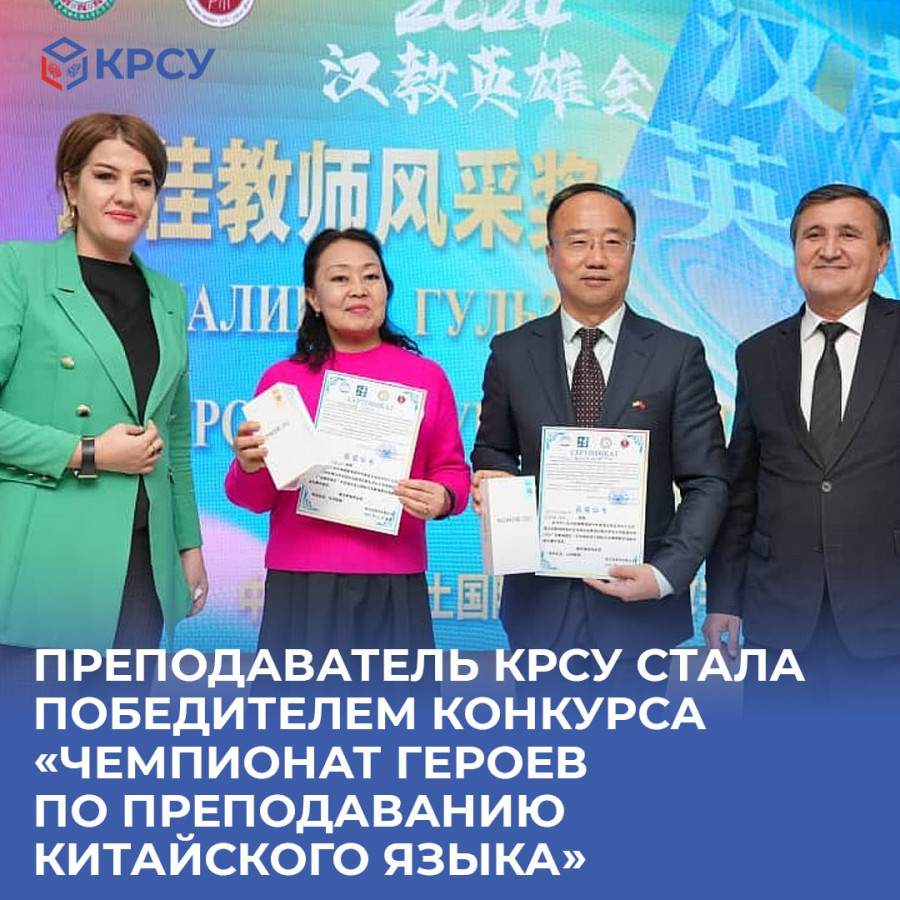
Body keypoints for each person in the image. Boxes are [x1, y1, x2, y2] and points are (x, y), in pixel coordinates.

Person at [471, 183, 728, 688]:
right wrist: (495, 481)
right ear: (551, 255)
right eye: (578, 241)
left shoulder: (677, 355)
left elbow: (708, 481)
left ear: (632, 253)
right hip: (538, 607)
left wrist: (665, 573)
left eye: (613, 242)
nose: (596, 258)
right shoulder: (512, 352)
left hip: (641, 610)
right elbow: (494, 448)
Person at [0, 113, 207, 666]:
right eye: (105, 176)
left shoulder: (167, 295)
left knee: (118, 721)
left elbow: (174, 439)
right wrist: (87, 451)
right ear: (71, 185)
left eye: (143, 181)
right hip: (44, 553)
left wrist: (187, 545)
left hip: (142, 559)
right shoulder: (19, 269)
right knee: (30, 718)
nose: (126, 196)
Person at [225, 228, 470, 666]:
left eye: (370, 276)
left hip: (395, 581)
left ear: (386, 289)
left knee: (397, 710)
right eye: (339, 278)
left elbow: (452, 471)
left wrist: (444, 498)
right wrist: (249, 465)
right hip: (303, 584)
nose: (358, 289)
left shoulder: (425, 377)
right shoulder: (284, 382)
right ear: (313, 298)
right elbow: (254, 499)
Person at [704, 183, 900, 711]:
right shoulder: (758, 354)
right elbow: (743, 488)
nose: (829, 249)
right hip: (780, 619)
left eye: (849, 234)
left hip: (888, 618)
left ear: (882, 254)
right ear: (794, 250)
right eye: (814, 235)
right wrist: (724, 599)